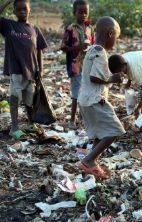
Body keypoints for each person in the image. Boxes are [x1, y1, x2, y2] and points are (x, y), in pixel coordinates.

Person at [77, 16, 125, 179]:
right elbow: (94, 78)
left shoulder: (92, 49)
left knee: (99, 134)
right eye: (116, 38)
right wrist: (113, 79)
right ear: (110, 33)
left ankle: (92, 164)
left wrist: (110, 78)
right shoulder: (100, 52)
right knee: (114, 130)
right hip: (93, 101)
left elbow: (96, 76)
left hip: (85, 100)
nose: (115, 42)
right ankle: (88, 160)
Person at [0, 0, 48, 139]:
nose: (22, 11)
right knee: (15, 98)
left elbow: (39, 50)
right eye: (18, 9)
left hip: (31, 70)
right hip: (16, 69)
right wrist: (8, 2)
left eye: (25, 9)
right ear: (14, 12)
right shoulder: (9, 25)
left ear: (30, 10)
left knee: (29, 99)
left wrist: (40, 70)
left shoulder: (35, 29)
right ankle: (14, 128)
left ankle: (30, 123)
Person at [61, 0, 95, 129]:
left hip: (88, 66)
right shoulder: (71, 28)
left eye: (86, 12)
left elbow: (94, 44)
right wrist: (77, 47)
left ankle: (84, 118)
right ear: (74, 13)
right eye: (80, 12)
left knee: (87, 92)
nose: (83, 15)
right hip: (75, 66)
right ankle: (72, 120)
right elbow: (63, 47)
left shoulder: (90, 28)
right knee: (76, 94)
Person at [108, 51, 142, 117]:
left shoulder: (134, 70)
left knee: (141, 95)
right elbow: (128, 71)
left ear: (123, 67)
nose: (120, 75)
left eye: (120, 73)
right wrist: (129, 82)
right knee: (139, 93)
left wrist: (138, 108)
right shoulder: (121, 61)